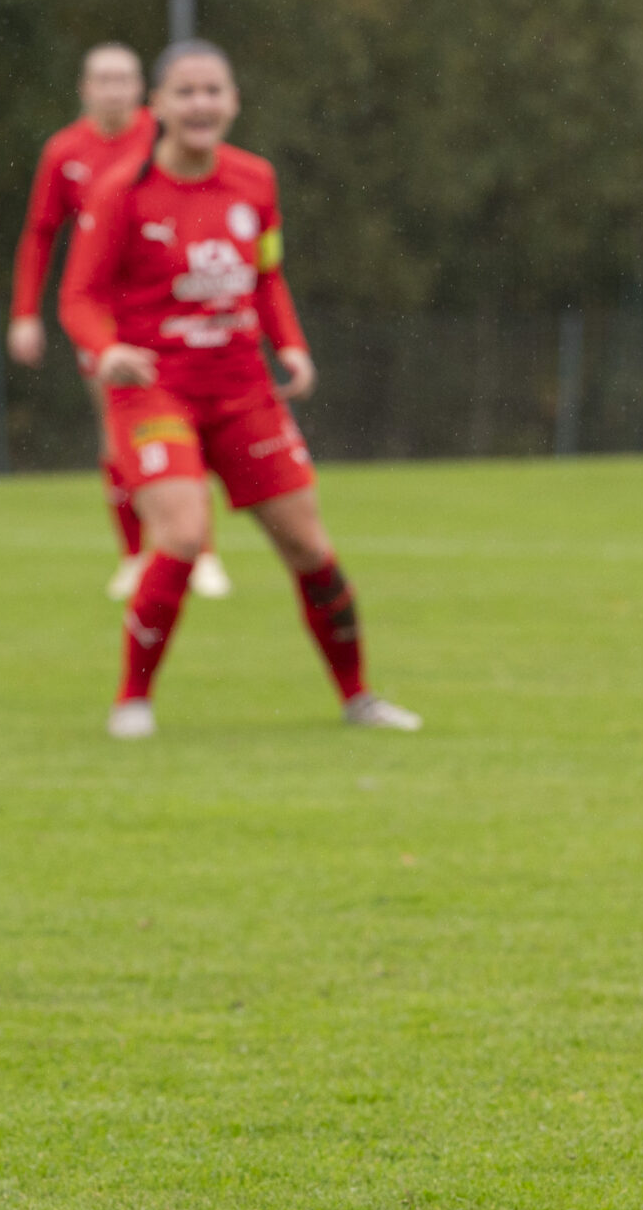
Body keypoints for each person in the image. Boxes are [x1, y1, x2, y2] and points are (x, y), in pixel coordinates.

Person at [59, 40, 419, 740]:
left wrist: (290, 344)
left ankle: (358, 697)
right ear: (155, 106)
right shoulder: (122, 193)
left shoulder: (256, 180)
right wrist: (107, 351)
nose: (201, 104)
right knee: (184, 534)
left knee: (309, 547)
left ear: (233, 101)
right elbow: (78, 298)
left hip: (243, 392)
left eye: (214, 91)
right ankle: (132, 701)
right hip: (156, 393)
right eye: (186, 92)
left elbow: (267, 274)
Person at [10, 43, 231, 602]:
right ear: (84, 88)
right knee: (116, 431)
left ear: (143, 93)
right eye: (103, 80)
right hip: (100, 311)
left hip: (167, 302)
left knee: (190, 420)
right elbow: (40, 233)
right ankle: (135, 555)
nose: (113, 90)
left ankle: (200, 552)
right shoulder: (65, 151)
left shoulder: (162, 140)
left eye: (124, 79)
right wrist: (24, 313)